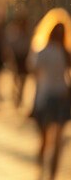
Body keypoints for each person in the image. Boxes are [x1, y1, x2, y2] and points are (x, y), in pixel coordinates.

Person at [29, 22, 71, 179]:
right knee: (53, 140)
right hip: (58, 97)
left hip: (51, 97)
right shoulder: (62, 53)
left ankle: (46, 172)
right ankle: (47, 172)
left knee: (50, 139)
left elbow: (35, 75)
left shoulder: (45, 52)